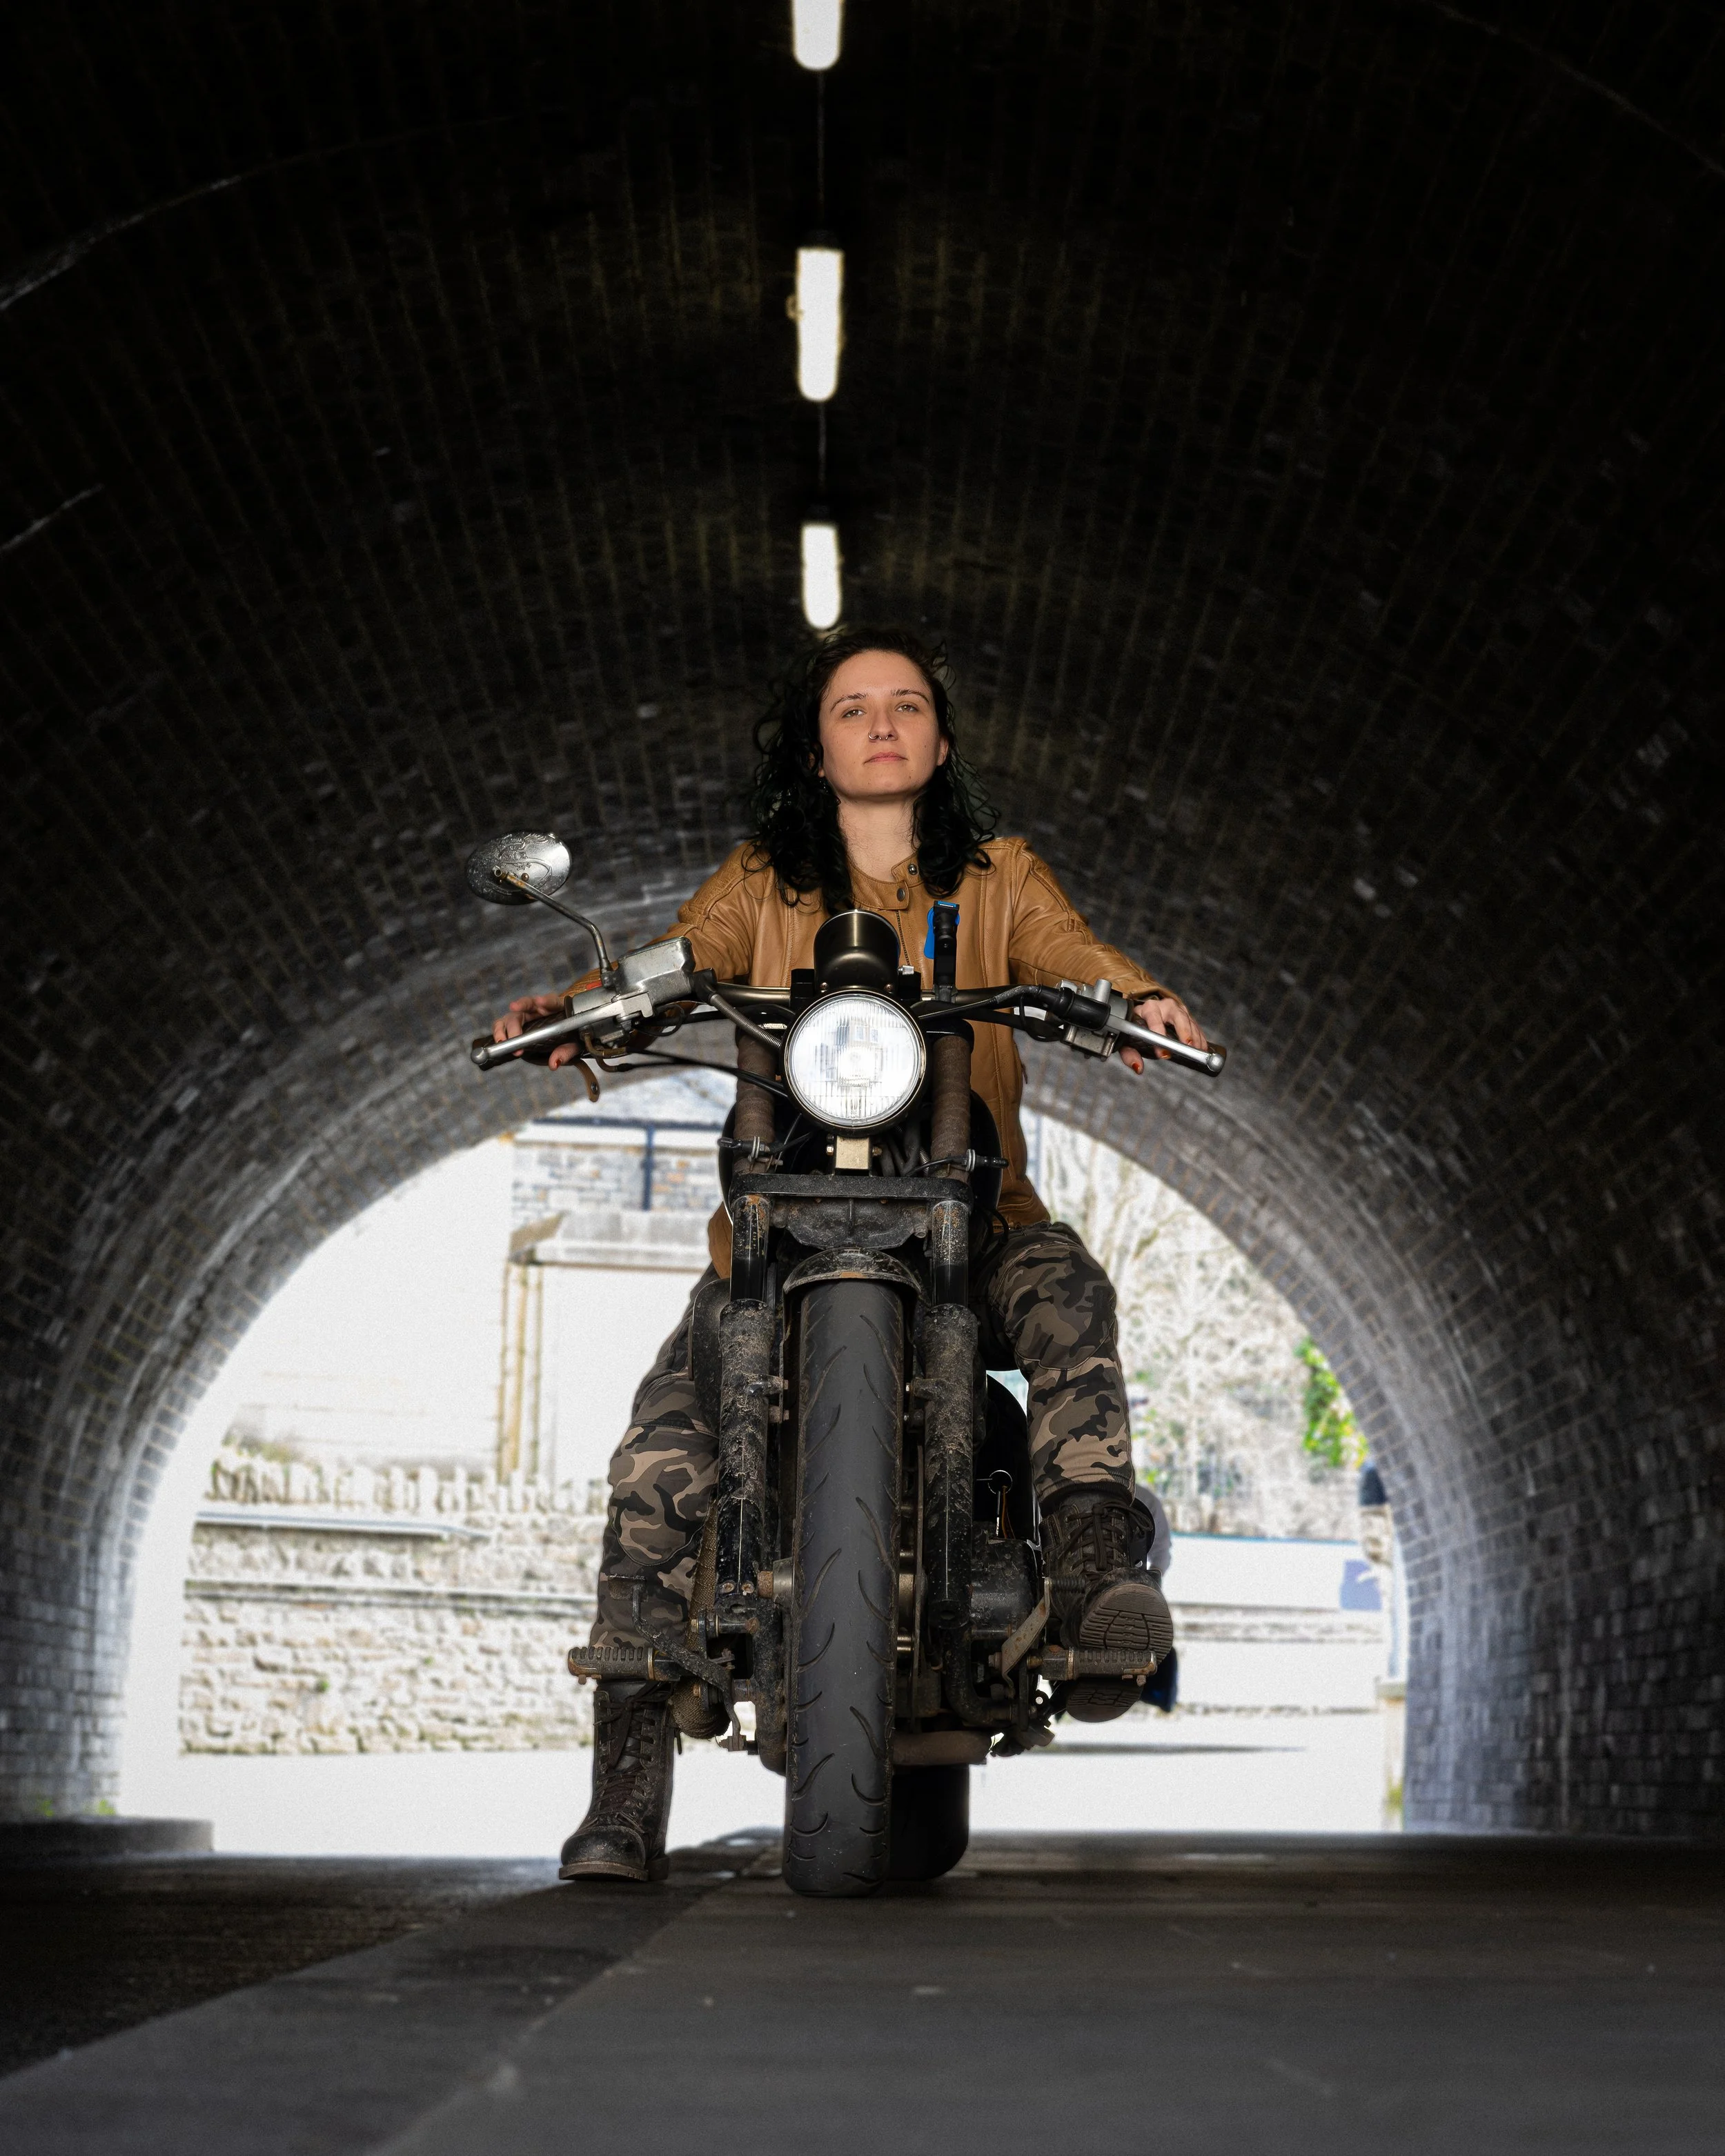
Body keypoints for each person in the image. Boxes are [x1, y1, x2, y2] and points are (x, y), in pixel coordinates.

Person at [491, 629, 1210, 1882]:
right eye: (852, 708)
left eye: (907, 705)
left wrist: (1127, 995)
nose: (881, 724)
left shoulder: (994, 875)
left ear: (940, 738)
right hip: (775, 1242)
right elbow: (683, 956)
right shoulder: (763, 880)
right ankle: (624, 1786)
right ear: (815, 746)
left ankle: (1094, 1573)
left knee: (1069, 1294)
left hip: (973, 1226)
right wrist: (581, 1009)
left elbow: (1063, 948)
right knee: (658, 1450)